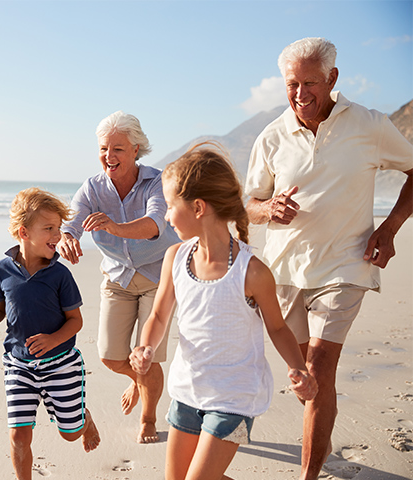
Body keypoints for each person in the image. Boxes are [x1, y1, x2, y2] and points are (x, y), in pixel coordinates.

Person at [244, 37, 413, 480]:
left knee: (318, 370)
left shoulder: (370, 125)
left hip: (346, 264)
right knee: (307, 382)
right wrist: (268, 210)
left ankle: (308, 475)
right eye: (291, 85)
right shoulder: (272, 136)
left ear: (333, 78)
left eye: (309, 84)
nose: (300, 95)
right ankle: (322, 423)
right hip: (284, 272)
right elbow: (248, 203)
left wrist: (390, 228)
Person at [129, 144, 318, 480]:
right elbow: (159, 316)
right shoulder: (175, 258)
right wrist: (146, 347)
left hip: (235, 398)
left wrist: (298, 368)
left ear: (198, 207)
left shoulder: (252, 272)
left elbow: (277, 328)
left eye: (171, 206)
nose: (167, 216)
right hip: (188, 390)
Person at [58, 111, 180, 443]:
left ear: (136, 149)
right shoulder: (92, 188)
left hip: (158, 277)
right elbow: (70, 222)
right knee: (111, 356)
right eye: (103, 149)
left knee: (145, 355)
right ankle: (138, 379)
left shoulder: (157, 181)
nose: (109, 157)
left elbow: (156, 223)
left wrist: (114, 226)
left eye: (118, 149)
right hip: (117, 279)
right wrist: (67, 238)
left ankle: (149, 419)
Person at [0, 187, 100, 480]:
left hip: (61, 364)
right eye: (49, 228)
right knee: (19, 434)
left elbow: (75, 320)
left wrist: (54, 339)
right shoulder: (2, 270)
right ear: (24, 232)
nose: (57, 235)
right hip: (18, 364)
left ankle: (84, 418)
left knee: (70, 434)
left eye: (58, 228)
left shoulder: (60, 275)